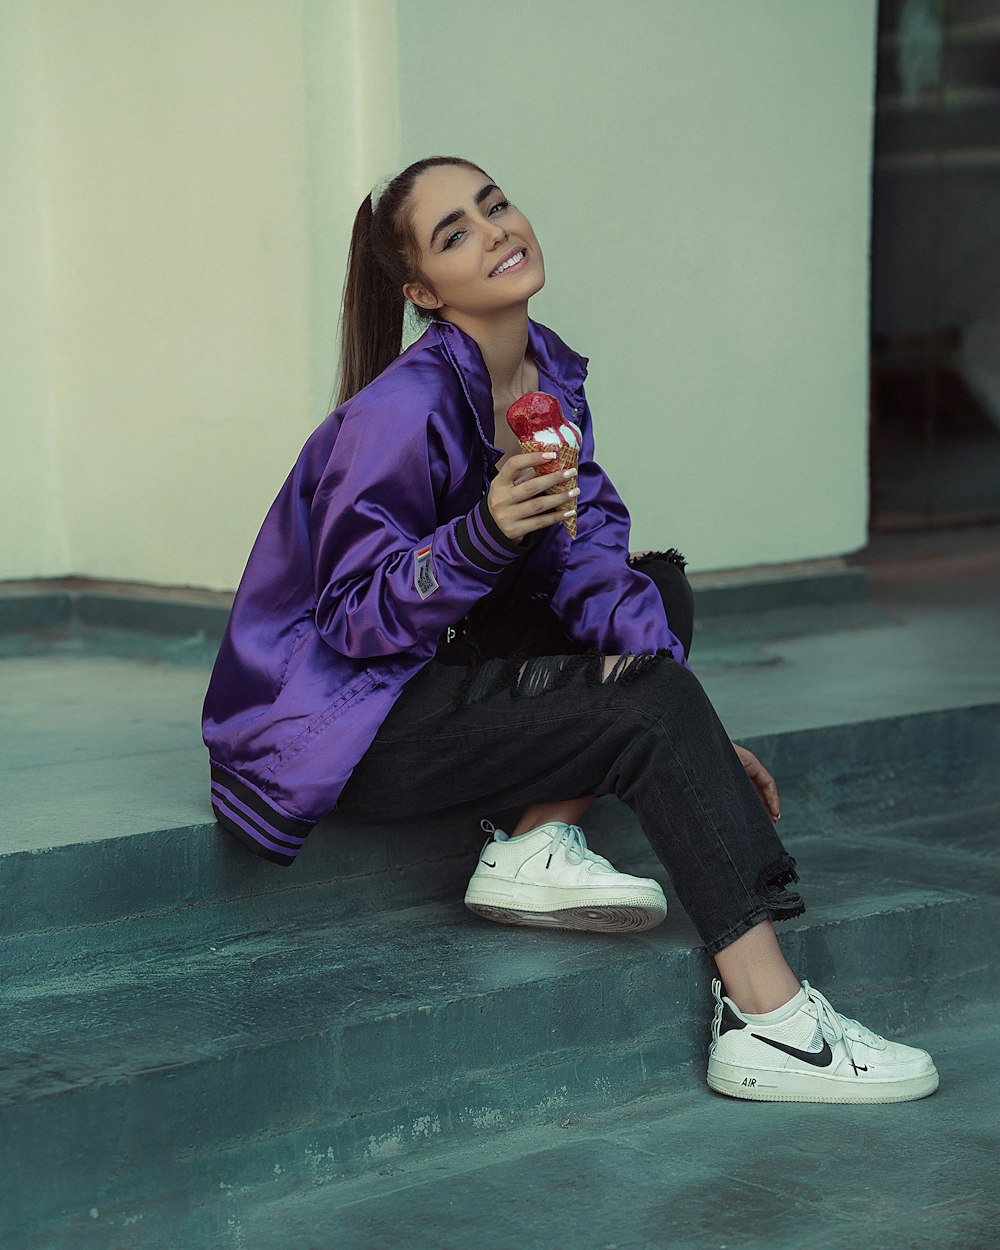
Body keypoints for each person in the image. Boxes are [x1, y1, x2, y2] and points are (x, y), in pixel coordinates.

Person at [202, 156, 939, 1104]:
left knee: (650, 595)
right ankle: (772, 1025)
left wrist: (696, 735)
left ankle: (533, 846)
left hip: (444, 667)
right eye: (455, 232)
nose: (497, 230)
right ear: (424, 290)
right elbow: (351, 614)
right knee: (645, 695)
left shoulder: (547, 376)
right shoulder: (402, 408)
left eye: (495, 204)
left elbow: (588, 563)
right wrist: (482, 534)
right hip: (350, 724)